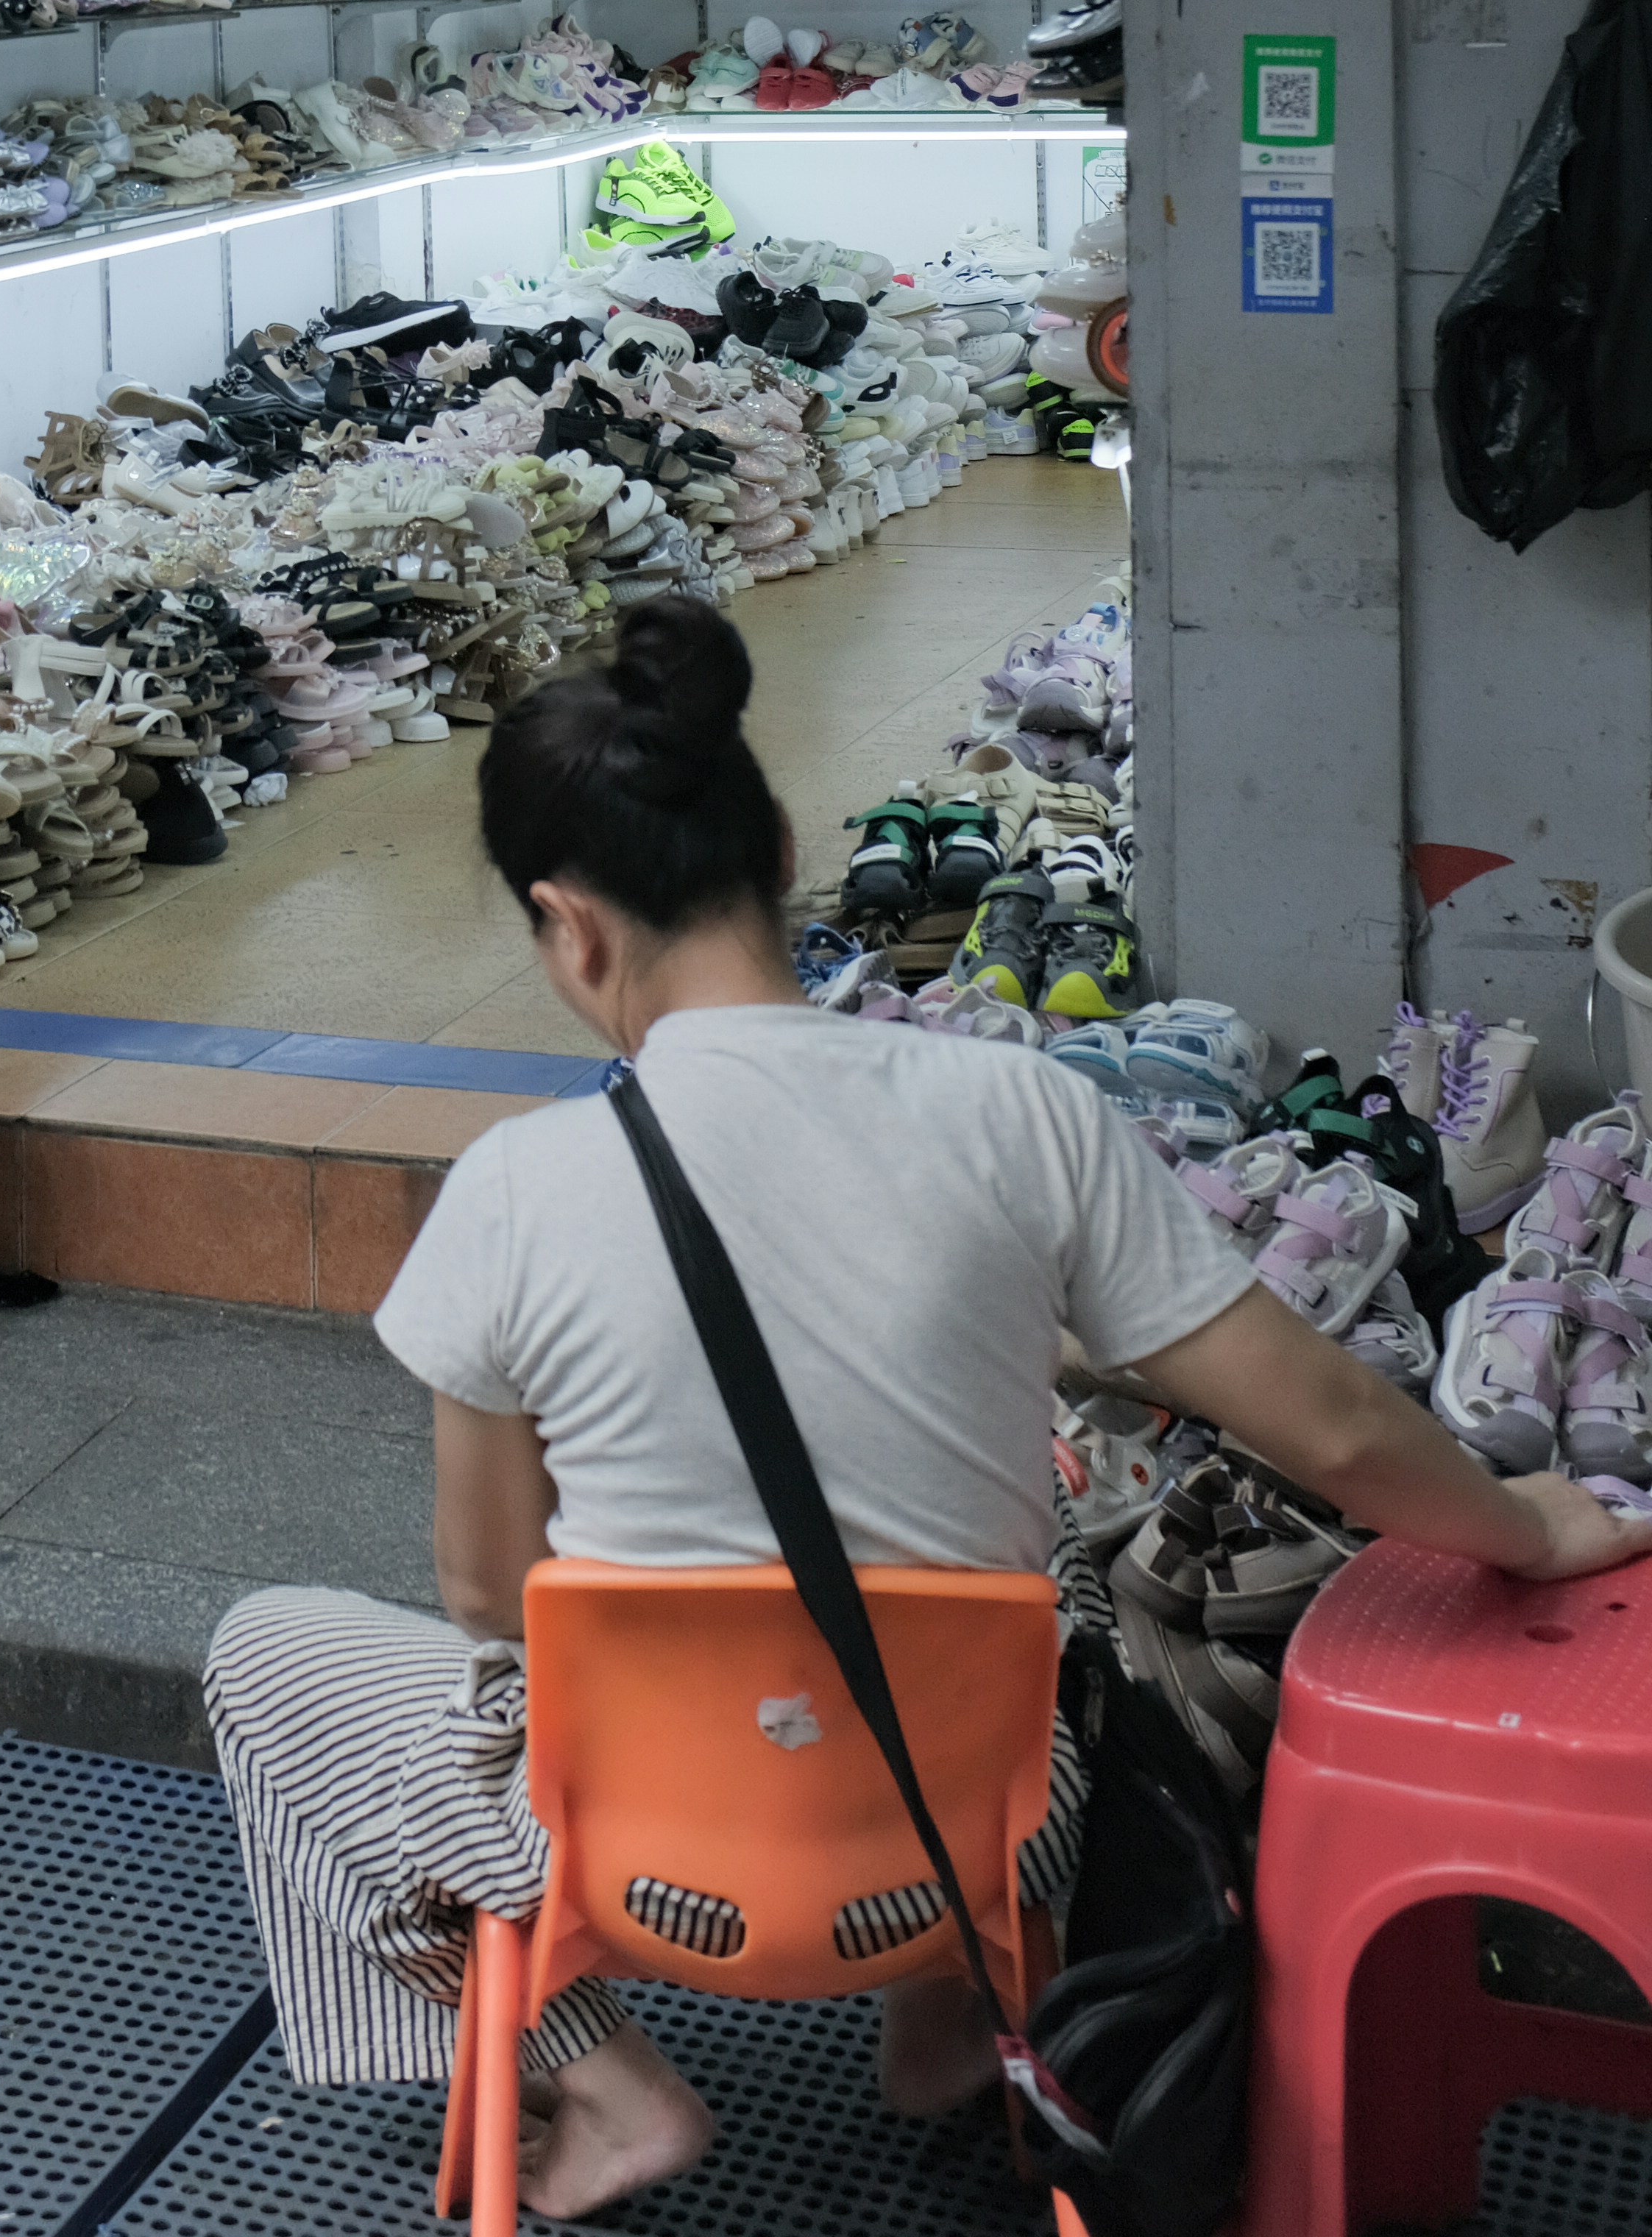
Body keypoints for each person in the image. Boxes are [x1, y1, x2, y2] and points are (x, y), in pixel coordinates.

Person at [204, 600, 1632, 2218]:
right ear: (783, 856)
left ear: (566, 928)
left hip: (632, 1853)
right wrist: (1519, 1524)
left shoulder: (512, 1191)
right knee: (1034, 1593)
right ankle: (945, 2018)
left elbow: (483, 1593)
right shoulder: (1016, 1111)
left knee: (265, 1654)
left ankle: (607, 2088)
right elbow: (1334, 1426)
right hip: (984, 1844)